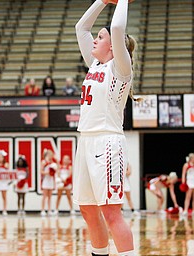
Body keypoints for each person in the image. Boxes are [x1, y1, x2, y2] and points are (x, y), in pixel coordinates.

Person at [72, 0, 138, 255]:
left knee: (111, 212)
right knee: (88, 208)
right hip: (85, 140)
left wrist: (121, 0)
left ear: (113, 46)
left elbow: (118, 27)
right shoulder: (95, 64)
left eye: (101, 37)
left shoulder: (120, 67)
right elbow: (81, 28)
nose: (95, 40)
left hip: (107, 142)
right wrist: (102, 0)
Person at [40, 149, 57, 216]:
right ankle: (43, 210)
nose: (51, 156)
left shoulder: (53, 163)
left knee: (50, 196)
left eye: (51, 155)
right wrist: (47, 172)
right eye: (49, 154)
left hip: (51, 180)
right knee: (44, 196)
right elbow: (41, 171)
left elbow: (56, 170)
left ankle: (49, 210)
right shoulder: (44, 162)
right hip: (45, 180)